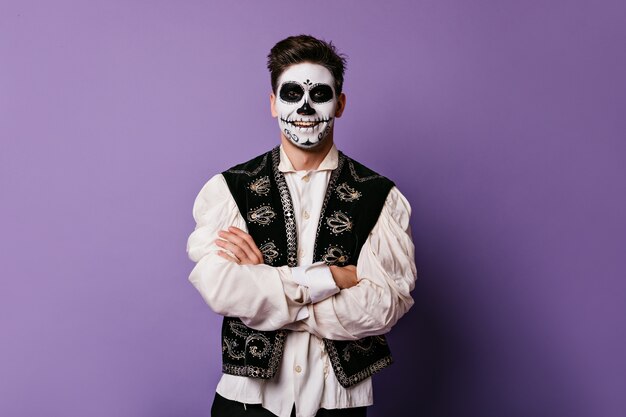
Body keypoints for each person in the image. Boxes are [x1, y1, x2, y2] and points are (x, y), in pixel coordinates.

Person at [186, 34, 417, 417]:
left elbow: (384, 306)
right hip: (246, 401)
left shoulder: (381, 198)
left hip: (337, 402)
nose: (306, 107)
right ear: (274, 104)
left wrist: (268, 284)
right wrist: (331, 279)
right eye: (292, 93)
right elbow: (223, 290)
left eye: (320, 94)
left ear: (340, 104)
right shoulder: (230, 189)